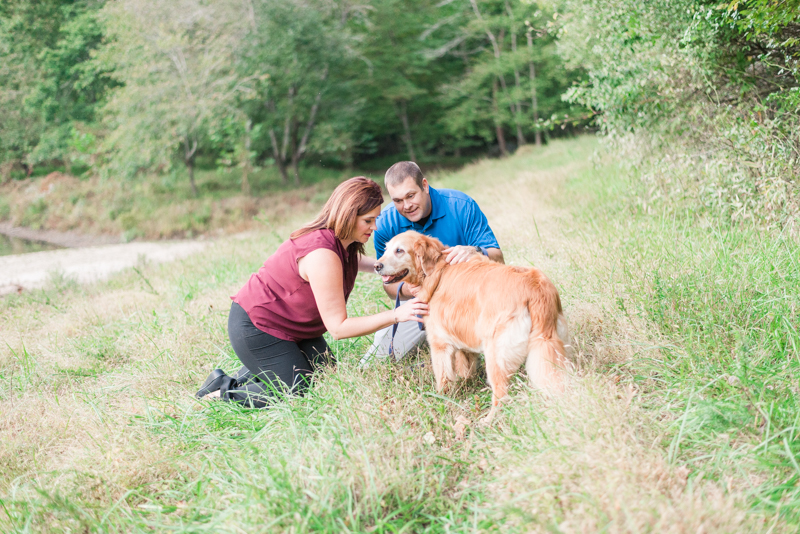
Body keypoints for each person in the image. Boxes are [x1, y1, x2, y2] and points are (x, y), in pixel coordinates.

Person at [196, 177, 428, 407]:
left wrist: (402, 276)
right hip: (258, 326)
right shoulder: (322, 254)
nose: (375, 227)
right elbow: (338, 328)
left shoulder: (342, 242)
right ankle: (220, 394)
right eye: (368, 220)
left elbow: (363, 263)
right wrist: (397, 314)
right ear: (348, 215)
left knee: (327, 377)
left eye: (376, 219)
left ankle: (263, 366)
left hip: (294, 326)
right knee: (298, 390)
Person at [360, 161, 503, 366]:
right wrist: (411, 289)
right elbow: (389, 285)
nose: (406, 206)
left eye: (411, 196)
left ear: (424, 186)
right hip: (420, 304)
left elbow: (498, 258)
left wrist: (474, 250)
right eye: (398, 200)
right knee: (378, 361)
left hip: (469, 297)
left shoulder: (461, 205)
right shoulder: (385, 223)